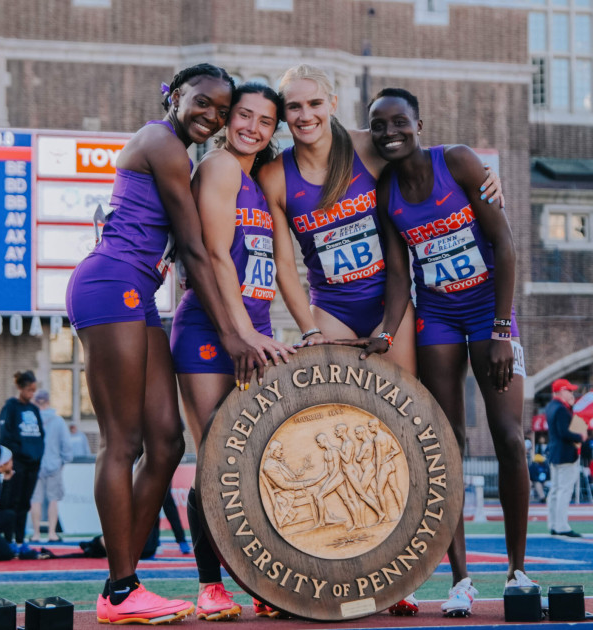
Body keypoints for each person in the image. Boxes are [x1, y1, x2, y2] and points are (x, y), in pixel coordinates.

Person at [258, 68, 501, 617]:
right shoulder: (278, 176)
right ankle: (332, 560)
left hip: (391, 303)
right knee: (332, 422)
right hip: (334, 309)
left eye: (315, 103)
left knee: (406, 431)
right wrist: (309, 326)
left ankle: (417, 571)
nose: (305, 116)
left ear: (333, 102)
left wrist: (487, 180)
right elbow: (284, 266)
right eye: (293, 107)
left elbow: (426, 151)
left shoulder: (369, 146)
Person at [65, 63, 270, 625]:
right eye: (203, 103)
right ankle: (121, 588)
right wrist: (232, 333)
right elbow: (195, 247)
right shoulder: (161, 142)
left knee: (165, 443)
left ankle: (125, 585)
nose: (213, 116)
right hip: (110, 285)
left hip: (137, 292)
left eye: (223, 111)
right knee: (122, 441)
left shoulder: (179, 150)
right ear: (174, 96)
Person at [350, 87, 527, 618]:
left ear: (419, 124)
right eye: (378, 126)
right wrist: (386, 329)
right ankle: (461, 580)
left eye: (398, 122)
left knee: (508, 436)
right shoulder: (386, 192)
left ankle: (518, 571)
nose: (389, 133)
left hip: (489, 311)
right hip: (439, 317)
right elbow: (401, 273)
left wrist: (500, 329)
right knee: (445, 446)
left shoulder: (459, 162)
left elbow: (505, 242)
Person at [170, 81, 295, 622]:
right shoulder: (220, 167)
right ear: (228, 120)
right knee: (214, 463)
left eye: (265, 121)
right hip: (210, 331)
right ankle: (210, 584)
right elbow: (217, 258)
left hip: (253, 332)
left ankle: (259, 579)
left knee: (255, 463)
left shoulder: (257, 180)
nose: (252, 127)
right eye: (244, 115)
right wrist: (242, 335)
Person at [0, 370, 44, 552]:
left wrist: (37, 457)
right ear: (21, 388)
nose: (32, 394)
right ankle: (9, 540)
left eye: (34, 390)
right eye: (29, 390)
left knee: (25, 502)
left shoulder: (34, 409)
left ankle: (20, 538)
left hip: (33, 464)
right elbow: (6, 436)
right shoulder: (11, 407)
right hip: (17, 463)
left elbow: (41, 436)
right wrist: (16, 457)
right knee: (12, 502)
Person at [544, 378, 587, 537]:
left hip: (556, 453)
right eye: (568, 390)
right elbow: (565, 433)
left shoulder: (551, 407)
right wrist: (580, 436)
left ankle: (554, 524)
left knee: (556, 490)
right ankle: (561, 525)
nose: (571, 393)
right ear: (561, 391)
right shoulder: (561, 409)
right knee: (563, 490)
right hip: (566, 454)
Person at [29, 389, 72, 543]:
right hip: (54, 464)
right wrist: (64, 460)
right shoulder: (58, 421)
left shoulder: (31, 420)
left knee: (35, 500)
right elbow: (66, 444)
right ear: (48, 401)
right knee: (53, 500)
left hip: (35, 465)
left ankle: (36, 533)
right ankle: (52, 533)